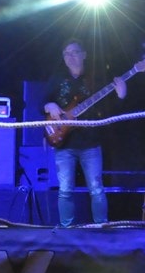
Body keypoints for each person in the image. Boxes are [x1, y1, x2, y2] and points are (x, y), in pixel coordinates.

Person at [43, 39, 125, 227]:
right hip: (63, 143)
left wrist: (120, 95)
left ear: (84, 55)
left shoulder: (95, 79)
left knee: (96, 189)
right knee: (65, 190)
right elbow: (42, 102)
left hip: (90, 142)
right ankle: (67, 230)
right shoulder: (57, 79)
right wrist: (49, 105)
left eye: (74, 52)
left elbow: (108, 109)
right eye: (66, 53)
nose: (70, 57)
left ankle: (101, 227)